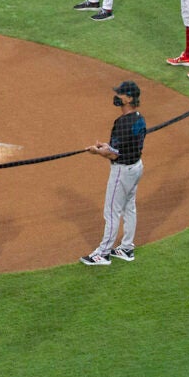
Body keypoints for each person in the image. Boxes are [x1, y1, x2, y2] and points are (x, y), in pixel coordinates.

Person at [80, 81, 147, 266]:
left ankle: (103, 253)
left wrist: (97, 151)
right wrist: (108, 146)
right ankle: (126, 248)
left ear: (129, 98)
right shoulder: (140, 118)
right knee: (129, 207)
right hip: (136, 167)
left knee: (111, 211)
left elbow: (113, 154)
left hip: (122, 171)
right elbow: (124, 146)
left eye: (121, 94)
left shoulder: (123, 123)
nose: (117, 97)